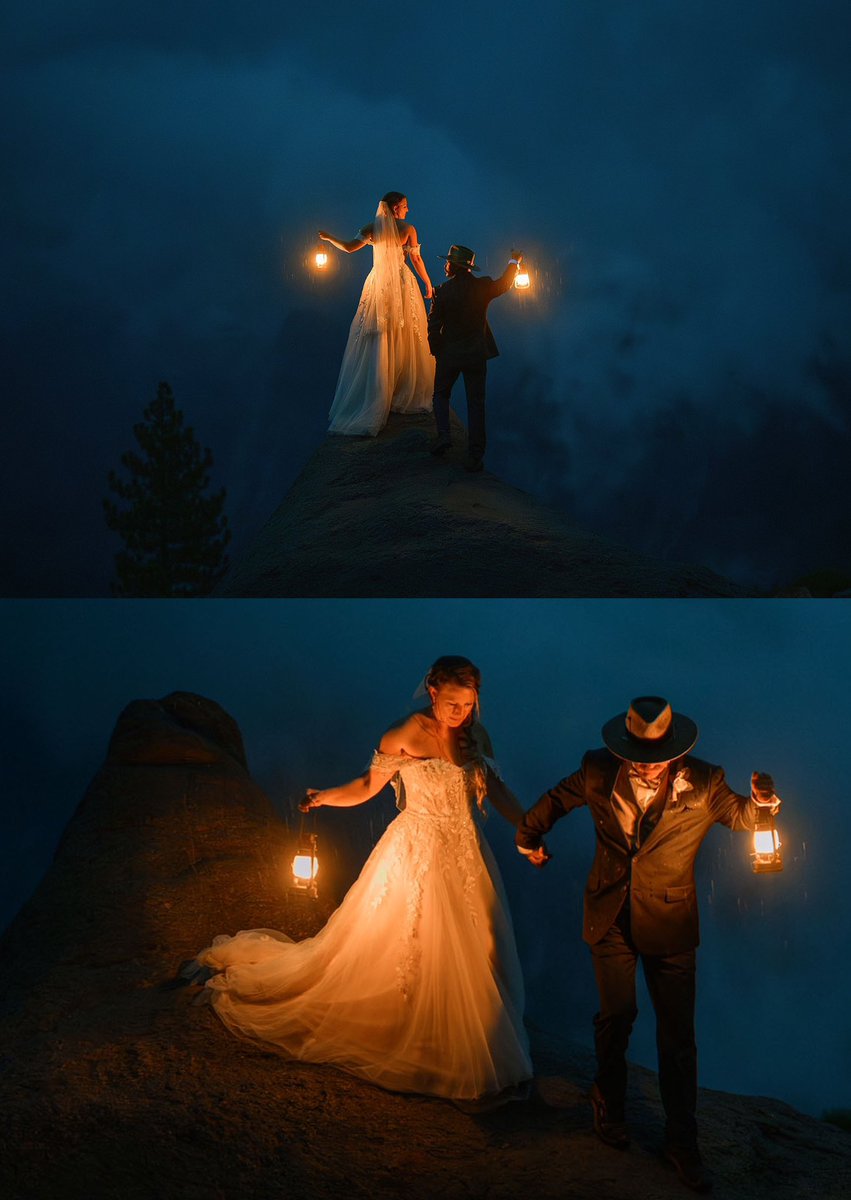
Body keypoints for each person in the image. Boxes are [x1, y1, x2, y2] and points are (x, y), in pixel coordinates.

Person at [194, 655, 532, 1106]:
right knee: (410, 937)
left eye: (468, 705)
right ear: (432, 692)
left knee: (473, 941)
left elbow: (498, 791)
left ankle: (461, 1029)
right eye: (453, 703)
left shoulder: (475, 736)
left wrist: (530, 828)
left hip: (466, 852)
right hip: (417, 846)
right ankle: (409, 1024)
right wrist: (324, 797)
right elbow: (367, 787)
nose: (461, 713)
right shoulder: (402, 734)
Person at [516, 695, 783, 1193]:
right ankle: (608, 1102)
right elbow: (559, 798)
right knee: (617, 1016)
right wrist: (527, 837)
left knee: (677, 1036)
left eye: (656, 756)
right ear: (622, 747)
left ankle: (682, 1142)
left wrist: (764, 805)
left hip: (670, 919)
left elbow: (741, 816)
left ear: (675, 750)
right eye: (637, 754)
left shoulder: (705, 780)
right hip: (609, 912)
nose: (647, 765)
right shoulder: (598, 769)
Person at [318, 192, 435, 436]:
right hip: (401, 282)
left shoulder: (372, 227)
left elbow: (350, 248)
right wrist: (428, 283)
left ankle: (380, 391)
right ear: (395, 208)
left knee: (381, 332)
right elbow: (416, 258)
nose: (407, 210)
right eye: (404, 206)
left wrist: (330, 239)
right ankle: (399, 390)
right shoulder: (408, 229)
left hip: (380, 282)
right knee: (404, 332)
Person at [426, 244, 522, 471]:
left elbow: (433, 325)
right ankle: (475, 455)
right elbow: (504, 284)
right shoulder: (482, 286)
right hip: (476, 354)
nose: (445, 264)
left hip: (449, 354)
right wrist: (514, 261)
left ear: (454, 266)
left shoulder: (442, 291)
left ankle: (444, 437)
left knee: (440, 395)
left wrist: (436, 349)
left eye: (447, 261)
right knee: (476, 404)